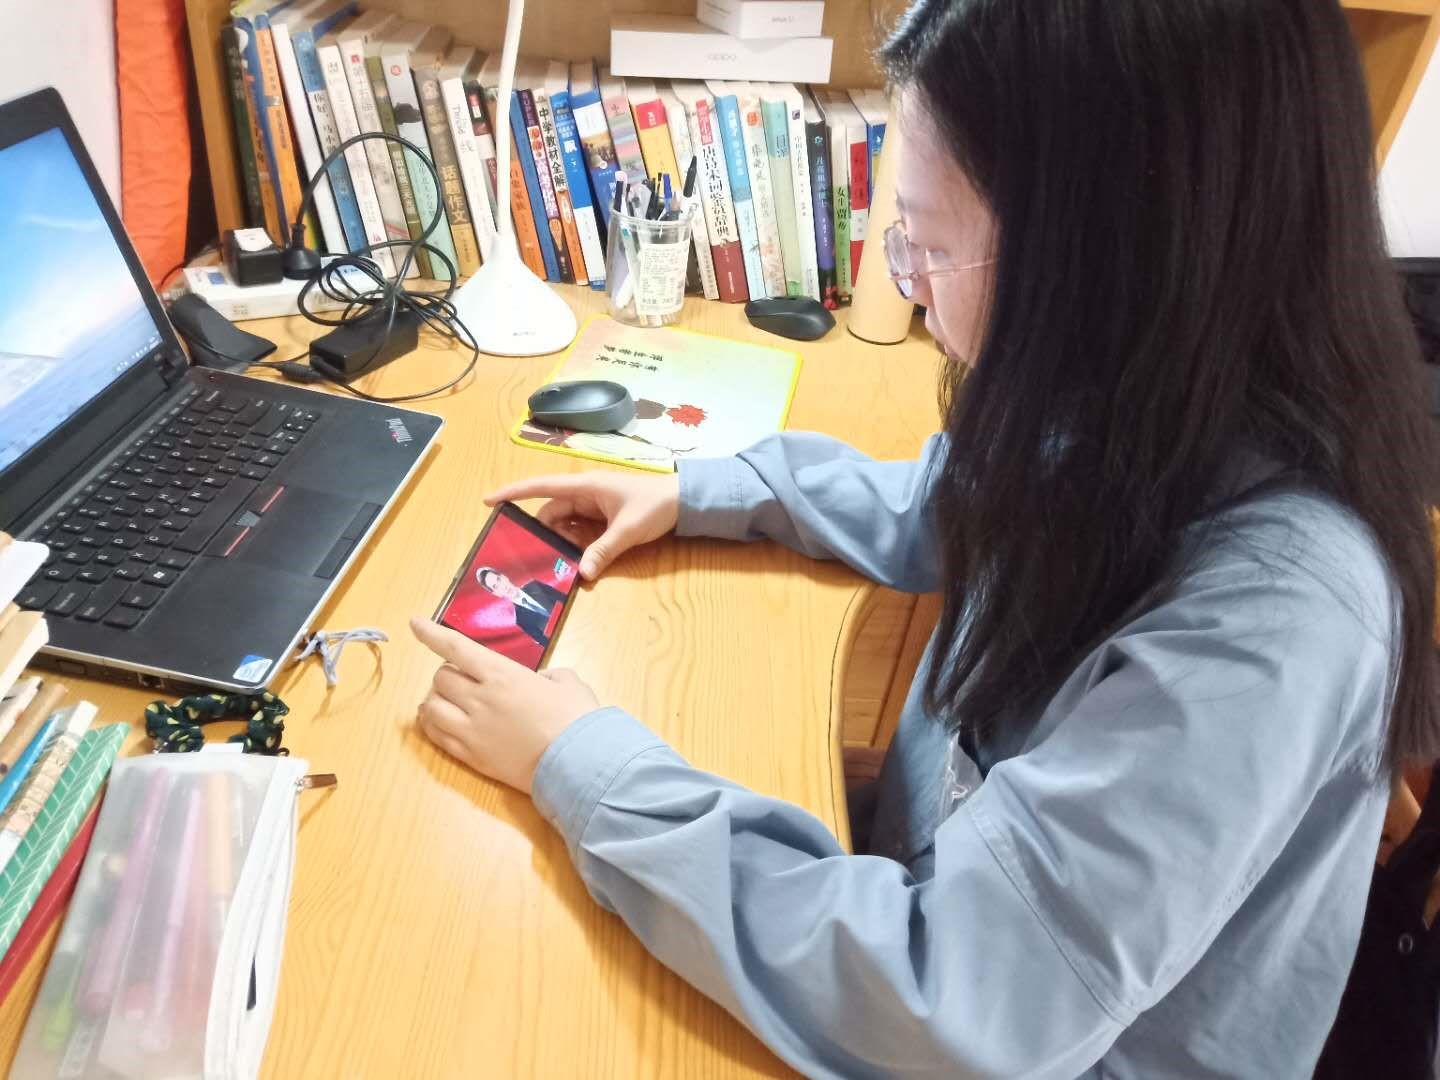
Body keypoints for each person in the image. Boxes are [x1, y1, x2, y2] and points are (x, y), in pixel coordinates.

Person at [409, 0, 1440, 1074]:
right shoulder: (1141, 401)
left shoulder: (1279, 620)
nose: (913, 288)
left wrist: (583, 768)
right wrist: (705, 492)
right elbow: (955, 503)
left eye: (930, 248)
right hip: (945, 890)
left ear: (1108, 260)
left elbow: (954, 1007)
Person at [474, 566, 564, 648]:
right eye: (496, 586)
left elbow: (564, 598)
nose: (503, 586)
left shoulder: (535, 585)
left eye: (499, 580)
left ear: (504, 577)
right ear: (496, 593)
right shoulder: (522, 621)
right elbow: (548, 645)